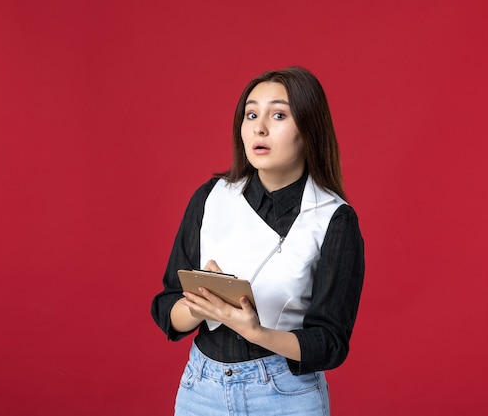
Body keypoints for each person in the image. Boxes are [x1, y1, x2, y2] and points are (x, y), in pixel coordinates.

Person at [151, 66, 365, 415]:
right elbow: (166, 308)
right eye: (251, 114)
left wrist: (256, 331)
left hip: (284, 394)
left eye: (278, 115)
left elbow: (330, 343)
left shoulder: (333, 219)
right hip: (201, 389)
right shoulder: (211, 197)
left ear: (309, 129)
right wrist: (200, 305)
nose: (259, 127)